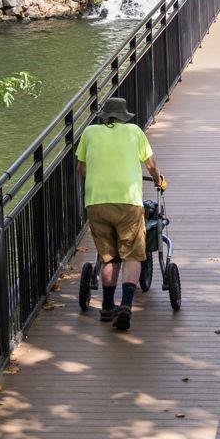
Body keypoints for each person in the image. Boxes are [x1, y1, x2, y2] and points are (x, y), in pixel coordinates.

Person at [76, 96, 163, 330]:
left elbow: (81, 168)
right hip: (128, 202)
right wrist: (159, 181)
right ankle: (125, 305)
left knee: (108, 256)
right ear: (124, 117)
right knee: (132, 255)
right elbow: (151, 166)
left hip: (97, 202)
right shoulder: (134, 132)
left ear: (104, 117)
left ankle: (106, 306)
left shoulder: (89, 133)